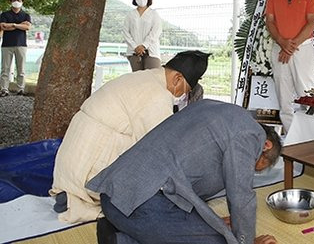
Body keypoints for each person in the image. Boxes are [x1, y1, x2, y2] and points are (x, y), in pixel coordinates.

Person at [87, 99, 281, 244]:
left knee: (214, 229)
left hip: (114, 198)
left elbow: (184, 183)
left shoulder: (212, 107)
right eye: (254, 167)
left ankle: (117, 236)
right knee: (222, 241)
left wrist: (209, 224)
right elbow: (241, 197)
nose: (249, 171)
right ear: (266, 145)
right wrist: (245, 241)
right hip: (141, 207)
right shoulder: (250, 135)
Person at [51, 50, 210, 223]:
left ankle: (72, 195)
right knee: (150, 182)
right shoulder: (158, 95)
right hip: (89, 169)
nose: (181, 96)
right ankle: (81, 200)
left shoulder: (143, 78)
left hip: (70, 166)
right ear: (177, 79)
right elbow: (163, 148)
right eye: (184, 91)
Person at [265, 0, 314, 131]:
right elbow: (270, 21)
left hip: (302, 50)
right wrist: (282, 42)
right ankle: (290, 138)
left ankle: (311, 136)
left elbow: (312, 22)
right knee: (284, 96)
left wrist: (290, 46)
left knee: (308, 94)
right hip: (279, 48)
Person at [123, 0, 162, 72]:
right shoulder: (130, 15)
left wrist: (144, 46)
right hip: (134, 53)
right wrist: (135, 47)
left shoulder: (154, 14)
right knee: (137, 81)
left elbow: (156, 31)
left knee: (153, 79)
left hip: (151, 52)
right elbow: (126, 32)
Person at [0, 0, 32, 97]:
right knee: (5, 69)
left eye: (19, 0)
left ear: (22, 2)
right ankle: (4, 89)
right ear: (11, 2)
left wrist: (13, 25)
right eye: (14, 0)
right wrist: (19, 25)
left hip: (21, 45)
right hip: (6, 45)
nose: (16, 1)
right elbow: (3, 26)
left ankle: (20, 89)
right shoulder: (4, 14)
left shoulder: (26, 15)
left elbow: (27, 27)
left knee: (21, 69)